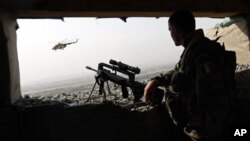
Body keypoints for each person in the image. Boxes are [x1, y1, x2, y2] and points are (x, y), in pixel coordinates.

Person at [144, 10, 233, 141]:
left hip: (207, 128)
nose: (170, 34)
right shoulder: (194, 49)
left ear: (176, 30)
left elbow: (214, 95)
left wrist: (211, 132)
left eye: (170, 30)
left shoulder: (201, 53)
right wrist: (156, 81)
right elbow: (177, 71)